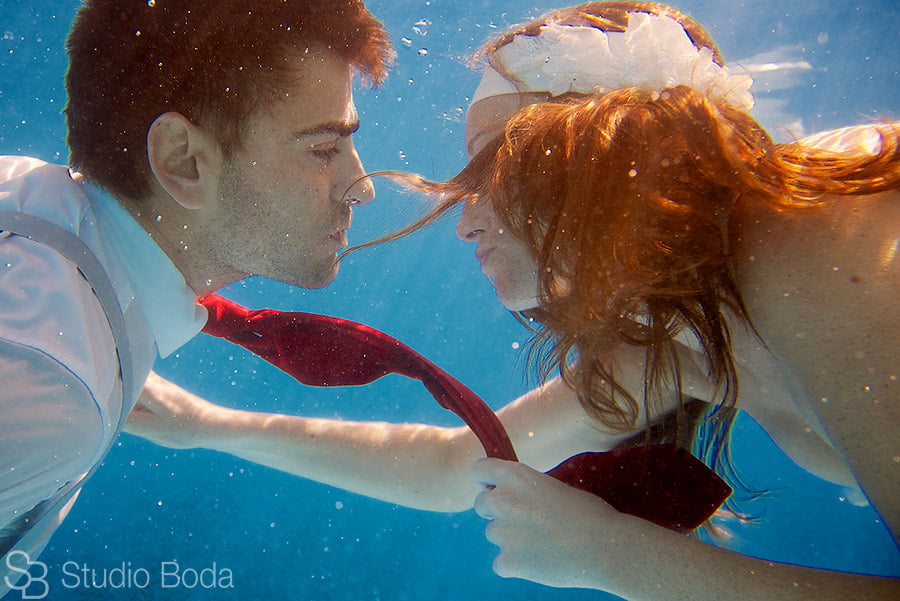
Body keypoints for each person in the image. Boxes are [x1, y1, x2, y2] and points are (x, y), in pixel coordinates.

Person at [127, 2, 899, 599]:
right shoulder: (678, 334)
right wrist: (207, 426)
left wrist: (620, 557)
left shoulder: (817, 239)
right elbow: (456, 468)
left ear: (596, 148)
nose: (463, 214)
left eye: (488, 169)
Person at [0, 0, 394, 594]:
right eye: (321, 149)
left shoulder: (27, 203)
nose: (361, 188)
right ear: (183, 161)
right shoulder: (53, 392)